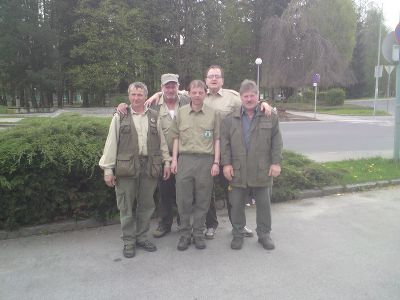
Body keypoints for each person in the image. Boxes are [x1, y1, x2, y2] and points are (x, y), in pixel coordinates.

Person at [99, 82, 171, 258]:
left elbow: (162, 142)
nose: (136, 98)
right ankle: (129, 241)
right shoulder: (120, 116)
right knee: (126, 207)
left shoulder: (154, 116)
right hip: (126, 168)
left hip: (149, 167)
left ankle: (142, 237)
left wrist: (167, 162)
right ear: (129, 96)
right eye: (133, 94)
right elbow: (111, 143)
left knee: (146, 206)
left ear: (145, 96)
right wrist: (108, 169)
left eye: (140, 95)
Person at [203, 65, 273, 240]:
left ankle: (238, 227)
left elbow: (250, 103)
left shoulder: (232, 97)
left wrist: (264, 103)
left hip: (228, 152)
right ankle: (210, 225)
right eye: (210, 76)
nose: (213, 79)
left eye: (217, 76)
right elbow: (169, 94)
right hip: (206, 151)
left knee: (232, 192)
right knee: (206, 191)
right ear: (205, 80)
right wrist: (156, 94)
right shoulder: (198, 95)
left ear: (222, 80)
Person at [116, 74, 190, 238]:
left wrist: (262, 101)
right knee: (164, 192)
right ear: (161, 88)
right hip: (160, 156)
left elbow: (201, 93)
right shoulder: (153, 104)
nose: (170, 89)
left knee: (183, 192)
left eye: (173, 86)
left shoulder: (186, 101)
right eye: (167, 86)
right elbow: (137, 105)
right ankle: (165, 224)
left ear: (178, 87)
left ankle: (183, 224)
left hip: (183, 154)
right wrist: (123, 105)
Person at [220, 79, 283, 250]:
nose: (249, 99)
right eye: (246, 96)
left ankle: (264, 234)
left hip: (262, 168)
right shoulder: (229, 119)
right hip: (238, 168)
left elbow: (277, 141)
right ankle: (238, 233)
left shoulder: (270, 116)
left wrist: (276, 163)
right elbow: (224, 144)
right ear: (240, 97)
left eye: (252, 96)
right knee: (237, 203)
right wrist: (226, 165)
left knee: (264, 204)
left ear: (258, 96)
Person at [169, 80, 220, 251]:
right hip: (185, 160)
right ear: (189, 94)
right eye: (194, 92)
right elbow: (175, 137)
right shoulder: (181, 113)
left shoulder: (213, 114)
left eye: (200, 92)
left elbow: (217, 140)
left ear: (205, 94)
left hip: (206, 161)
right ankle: (185, 234)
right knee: (183, 200)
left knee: (203, 199)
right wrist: (174, 160)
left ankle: (198, 233)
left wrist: (216, 162)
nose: (197, 95)